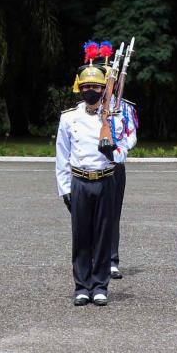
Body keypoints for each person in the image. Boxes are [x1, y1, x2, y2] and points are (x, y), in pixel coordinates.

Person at [56, 41, 129, 306]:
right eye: (86, 86)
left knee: (102, 235)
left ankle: (100, 285)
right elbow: (62, 156)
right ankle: (81, 285)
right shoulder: (68, 118)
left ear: (102, 90)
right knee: (81, 237)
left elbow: (123, 152)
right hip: (80, 181)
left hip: (106, 180)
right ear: (80, 88)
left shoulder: (114, 116)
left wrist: (111, 151)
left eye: (96, 87)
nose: (90, 91)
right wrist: (64, 189)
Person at [109, 87, 138, 280]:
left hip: (115, 166)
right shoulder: (83, 110)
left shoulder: (125, 108)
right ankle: (92, 259)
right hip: (91, 169)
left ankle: (111, 260)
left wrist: (121, 149)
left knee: (112, 215)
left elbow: (131, 135)